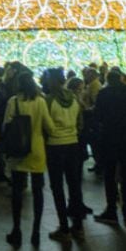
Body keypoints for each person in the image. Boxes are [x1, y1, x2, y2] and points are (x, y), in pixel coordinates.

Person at [2, 70, 54, 248]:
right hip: (37, 150)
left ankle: (16, 230)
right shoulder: (40, 102)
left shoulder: (13, 101)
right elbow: (49, 125)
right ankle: (36, 231)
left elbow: (6, 126)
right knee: (38, 192)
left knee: (17, 192)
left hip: (19, 151)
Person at [93, 69, 126, 226]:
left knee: (110, 176)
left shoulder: (104, 93)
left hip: (110, 139)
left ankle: (111, 210)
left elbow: (97, 116)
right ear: (121, 78)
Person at [43, 68, 84, 241]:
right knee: (74, 184)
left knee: (57, 186)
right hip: (73, 144)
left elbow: (44, 125)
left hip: (55, 146)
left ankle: (64, 228)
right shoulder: (74, 98)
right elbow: (80, 123)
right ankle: (79, 226)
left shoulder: (48, 100)